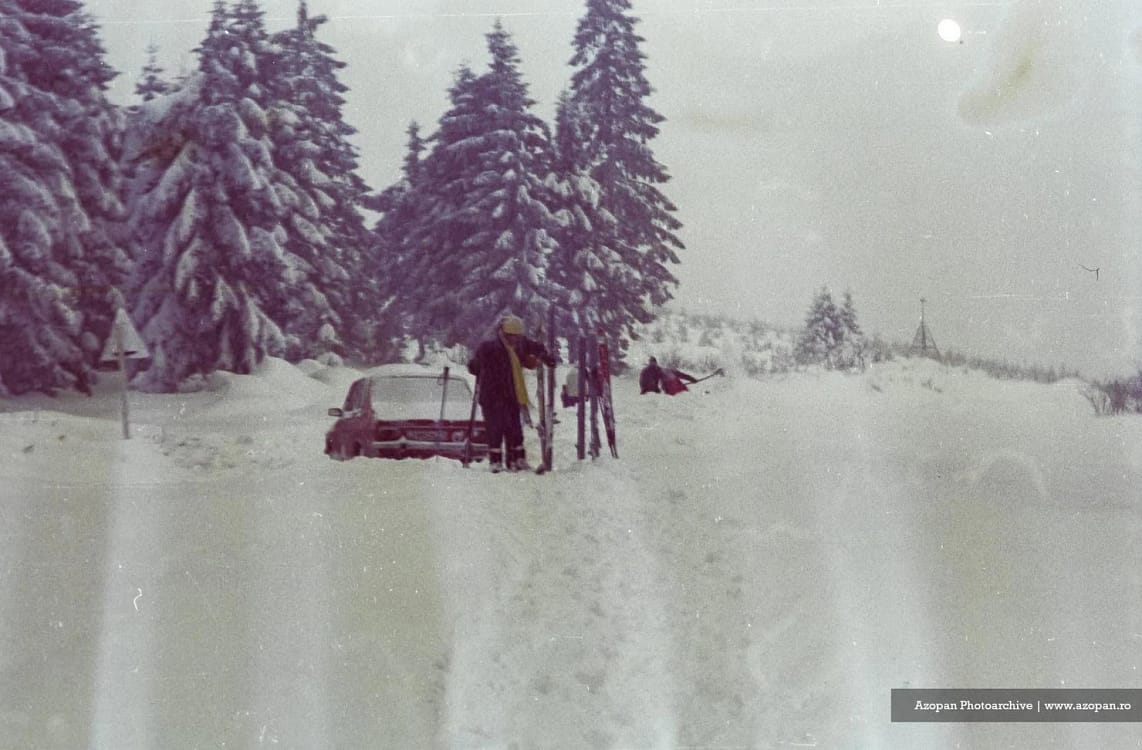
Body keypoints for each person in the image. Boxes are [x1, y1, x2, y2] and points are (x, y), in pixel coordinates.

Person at [468, 314, 555, 472]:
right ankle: (495, 462)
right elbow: (474, 365)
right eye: (511, 337)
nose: (515, 340)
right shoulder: (490, 347)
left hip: (512, 395)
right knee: (495, 430)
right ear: (503, 333)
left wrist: (545, 356)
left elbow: (536, 347)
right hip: (492, 396)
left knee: (514, 429)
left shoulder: (520, 345)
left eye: (517, 337)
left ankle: (517, 460)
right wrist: (476, 366)